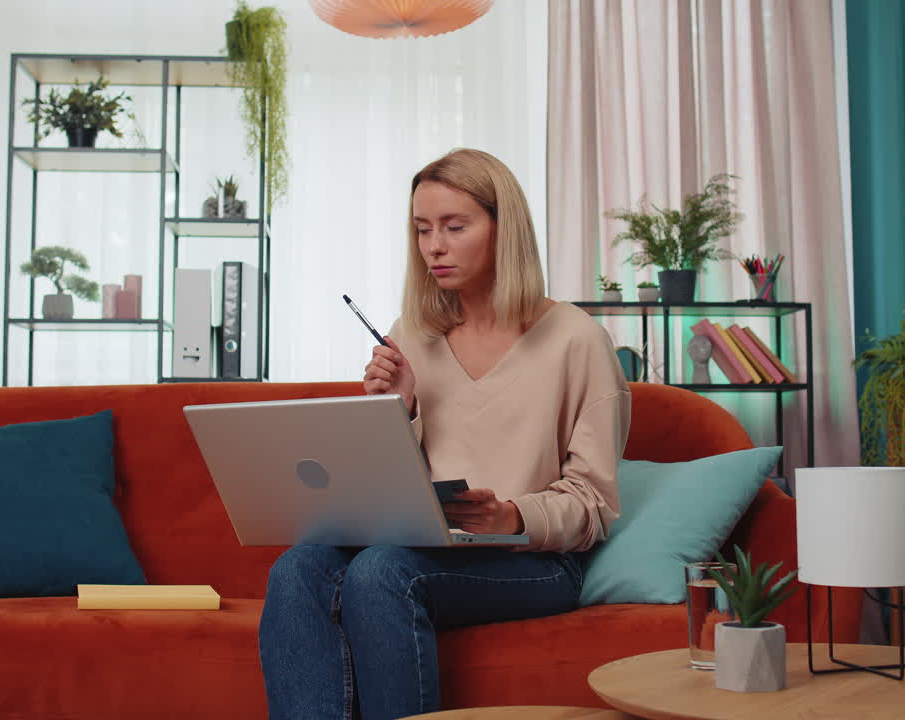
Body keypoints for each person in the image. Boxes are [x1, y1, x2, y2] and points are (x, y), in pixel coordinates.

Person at [258, 148, 631, 720]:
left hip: (535, 560)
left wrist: (511, 515)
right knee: (298, 567)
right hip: (424, 544)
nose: (434, 246)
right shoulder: (414, 334)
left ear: (504, 230)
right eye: (422, 229)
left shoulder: (577, 340)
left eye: (455, 227)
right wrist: (396, 410)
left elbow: (595, 504)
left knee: (382, 571)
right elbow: (389, 491)